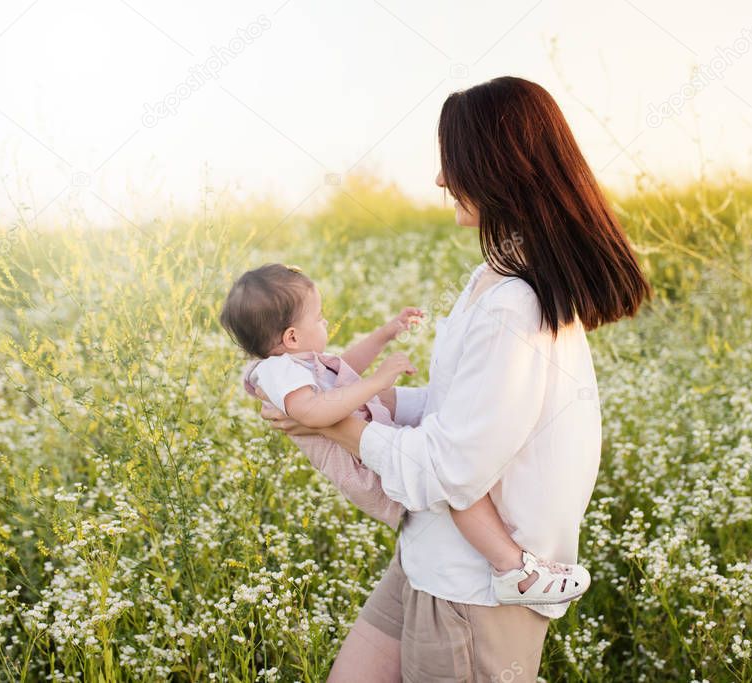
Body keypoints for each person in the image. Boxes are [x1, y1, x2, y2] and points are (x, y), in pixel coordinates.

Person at [259, 76, 653, 682]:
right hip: (432, 553)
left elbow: (452, 468)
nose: (441, 180)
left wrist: (337, 426)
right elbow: (458, 410)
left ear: (498, 168)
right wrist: (356, 395)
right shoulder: (493, 277)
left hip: (475, 590)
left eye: (453, 161)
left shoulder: (514, 306)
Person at [218, 262, 592, 606]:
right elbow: (314, 412)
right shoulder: (276, 373)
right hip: (361, 465)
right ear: (292, 337)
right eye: (319, 317)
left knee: (453, 457)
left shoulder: (293, 363)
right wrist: (379, 380)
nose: (326, 322)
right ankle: (514, 571)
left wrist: (384, 334)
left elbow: (342, 370)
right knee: (454, 483)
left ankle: (516, 564)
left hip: (368, 441)